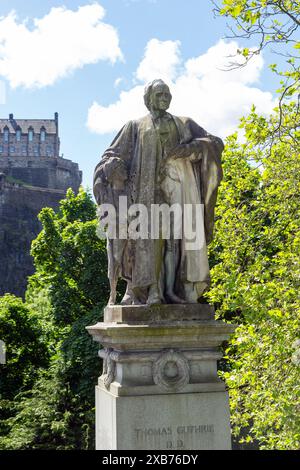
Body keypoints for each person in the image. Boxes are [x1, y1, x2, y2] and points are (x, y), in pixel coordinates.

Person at [93, 79, 223, 305]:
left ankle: (172, 291)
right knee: (150, 242)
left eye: (167, 93)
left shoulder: (184, 123)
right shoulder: (134, 127)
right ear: (148, 99)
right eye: (159, 93)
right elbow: (110, 156)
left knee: (176, 242)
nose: (165, 97)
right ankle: (149, 291)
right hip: (145, 196)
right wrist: (111, 166)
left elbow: (215, 143)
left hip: (178, 191)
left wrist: (191, 149)